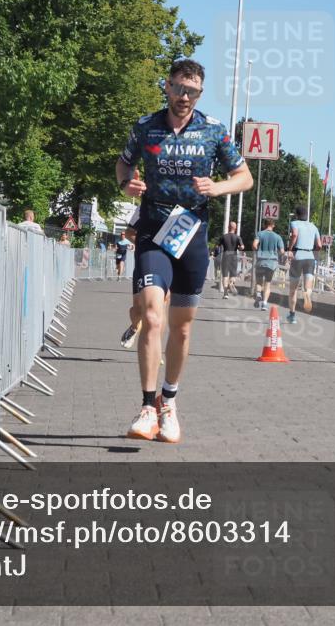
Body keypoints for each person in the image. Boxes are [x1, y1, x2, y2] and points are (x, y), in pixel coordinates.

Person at [115, 58, 253, 443]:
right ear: (167, 86)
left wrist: (218, 188)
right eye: (178, 88)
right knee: (152, 316)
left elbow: (245, 177)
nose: (184, 97)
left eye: (192, 91)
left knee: (183, 326)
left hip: (192, 232)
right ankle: (146, 407)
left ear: (200, 93)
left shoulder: (213, 131)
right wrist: (127, 185)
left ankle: (169, 401)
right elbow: (123, 166)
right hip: (153, 229)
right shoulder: (146, 127)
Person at [286, 205, 322, 324]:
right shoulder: (313, 226)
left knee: (293, 289)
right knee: (308, 287)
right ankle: (307, 295)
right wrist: (314, 253)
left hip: (298, 256)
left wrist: (290, 249)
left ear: (297, 215)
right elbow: (319, 245)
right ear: (306, 215)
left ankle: (292, 315)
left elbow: (295, 235)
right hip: (310, 257)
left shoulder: (294, 223)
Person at [251, 218, 285, 310]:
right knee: (268, 283)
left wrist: (258, 251)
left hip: (261, 261)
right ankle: (265, 304)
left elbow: (254, 245)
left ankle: (258, 294)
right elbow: (282, 251)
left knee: (259, 281)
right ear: (273, 225)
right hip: (272, 262)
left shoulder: (260, 234)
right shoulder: (278, 237)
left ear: (264, 225)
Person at [216, 221, 244, 298]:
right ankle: (231, 284)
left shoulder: (223, 236)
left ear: (228, 227)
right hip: (234, 257)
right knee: (233, 273)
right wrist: (238, 247)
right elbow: (242, 247)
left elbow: (217, 246)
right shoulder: (238, 237)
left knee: (225, 275)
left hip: (226, 255)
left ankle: (225, 293)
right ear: (235, 228)